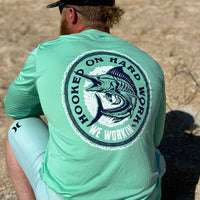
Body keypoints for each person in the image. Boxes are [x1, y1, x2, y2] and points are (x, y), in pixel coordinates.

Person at [4, 0, 166, 199]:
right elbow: (156, 138)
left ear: (71, 14)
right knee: (156, 155)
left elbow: (15, 109)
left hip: (65, 196)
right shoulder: (149, 63)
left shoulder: (46, 53)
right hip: (143, 197)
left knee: (19, 125)